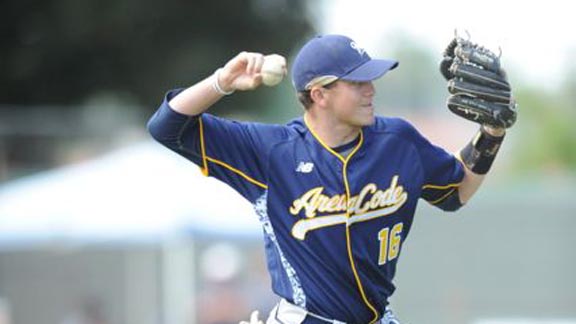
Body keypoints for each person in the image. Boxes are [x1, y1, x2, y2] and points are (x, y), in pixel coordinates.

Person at [147, 34, 508, 324]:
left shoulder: (398, 141)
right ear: (319, 94)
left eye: (371, 78)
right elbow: (167, 127)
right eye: (357, 82)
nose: (371, 89)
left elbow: (456, 191)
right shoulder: (272, 152)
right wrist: (222, 82)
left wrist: (492, 133)